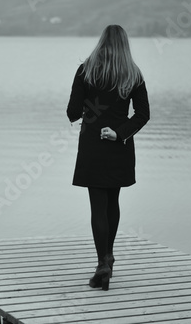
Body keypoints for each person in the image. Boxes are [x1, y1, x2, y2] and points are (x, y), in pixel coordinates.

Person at [66, 25, 150, 291]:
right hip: (119, 145)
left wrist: (90, 110)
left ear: (101, 42)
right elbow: (142, 114)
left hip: (93, 145)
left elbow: (72, 112)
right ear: (125, 45)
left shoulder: (86, 70)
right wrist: (119, 132)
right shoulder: (133, 74)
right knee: (112, 201)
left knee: (97, 205)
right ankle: (107, 259)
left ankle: (103, 262)